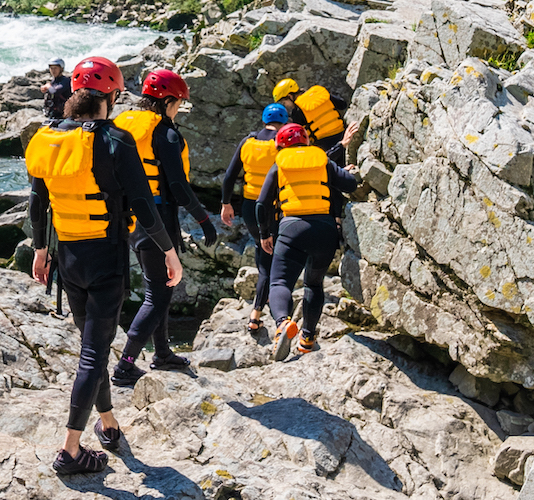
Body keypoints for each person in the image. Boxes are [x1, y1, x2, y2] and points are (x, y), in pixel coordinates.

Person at [26, 56, 177, 475]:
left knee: (92, 347)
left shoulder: (49, 138)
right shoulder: (116, 140)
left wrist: (40, 249)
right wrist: (168, 250)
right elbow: (144, 205)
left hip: (67, 260)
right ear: (109, 97)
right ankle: (71, 449)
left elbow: (38, 203)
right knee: (93, 354)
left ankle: (107, 422)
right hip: (106, 259)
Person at [111, 68, 218, 384]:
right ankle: (125, 365)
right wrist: (203, 220)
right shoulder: (166, 135)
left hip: (131, 220)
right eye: (178, 103)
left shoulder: (127, 128)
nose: (178, 109)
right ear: (168, 101)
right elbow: (178, 186)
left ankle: (161, 353)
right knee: (156, 296)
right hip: (156, 223)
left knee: (160, 288)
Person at [255, 123, 361, 360]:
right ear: (307, 142)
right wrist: (345, 171)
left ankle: (283, 324)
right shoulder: (322, 160)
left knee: (280, 282)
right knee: (314, 284)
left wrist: (264, 234)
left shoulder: (279, 165)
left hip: (292, 228)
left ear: (281, 144)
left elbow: (262, 204)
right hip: (324, 230)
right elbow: (350, 184)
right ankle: (307, 339)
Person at [220, 102, 289, 331]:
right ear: (284, 123)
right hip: (273, 207)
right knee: (271, 260)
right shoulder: (281, 144)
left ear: (264, 121)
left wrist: (226, 204)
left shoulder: (248, 141)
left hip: (249, 207)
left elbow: (230, 177)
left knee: (263, 251)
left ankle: (267, 295)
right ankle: (256, 314)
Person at [272, 78, 347, 161]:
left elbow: (299, 136)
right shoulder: (319, 93)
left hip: (324, 145)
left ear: (290, 96)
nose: (286, 105)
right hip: (343, 135)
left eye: (284, 101)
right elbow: (342, 104)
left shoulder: (297, 111)